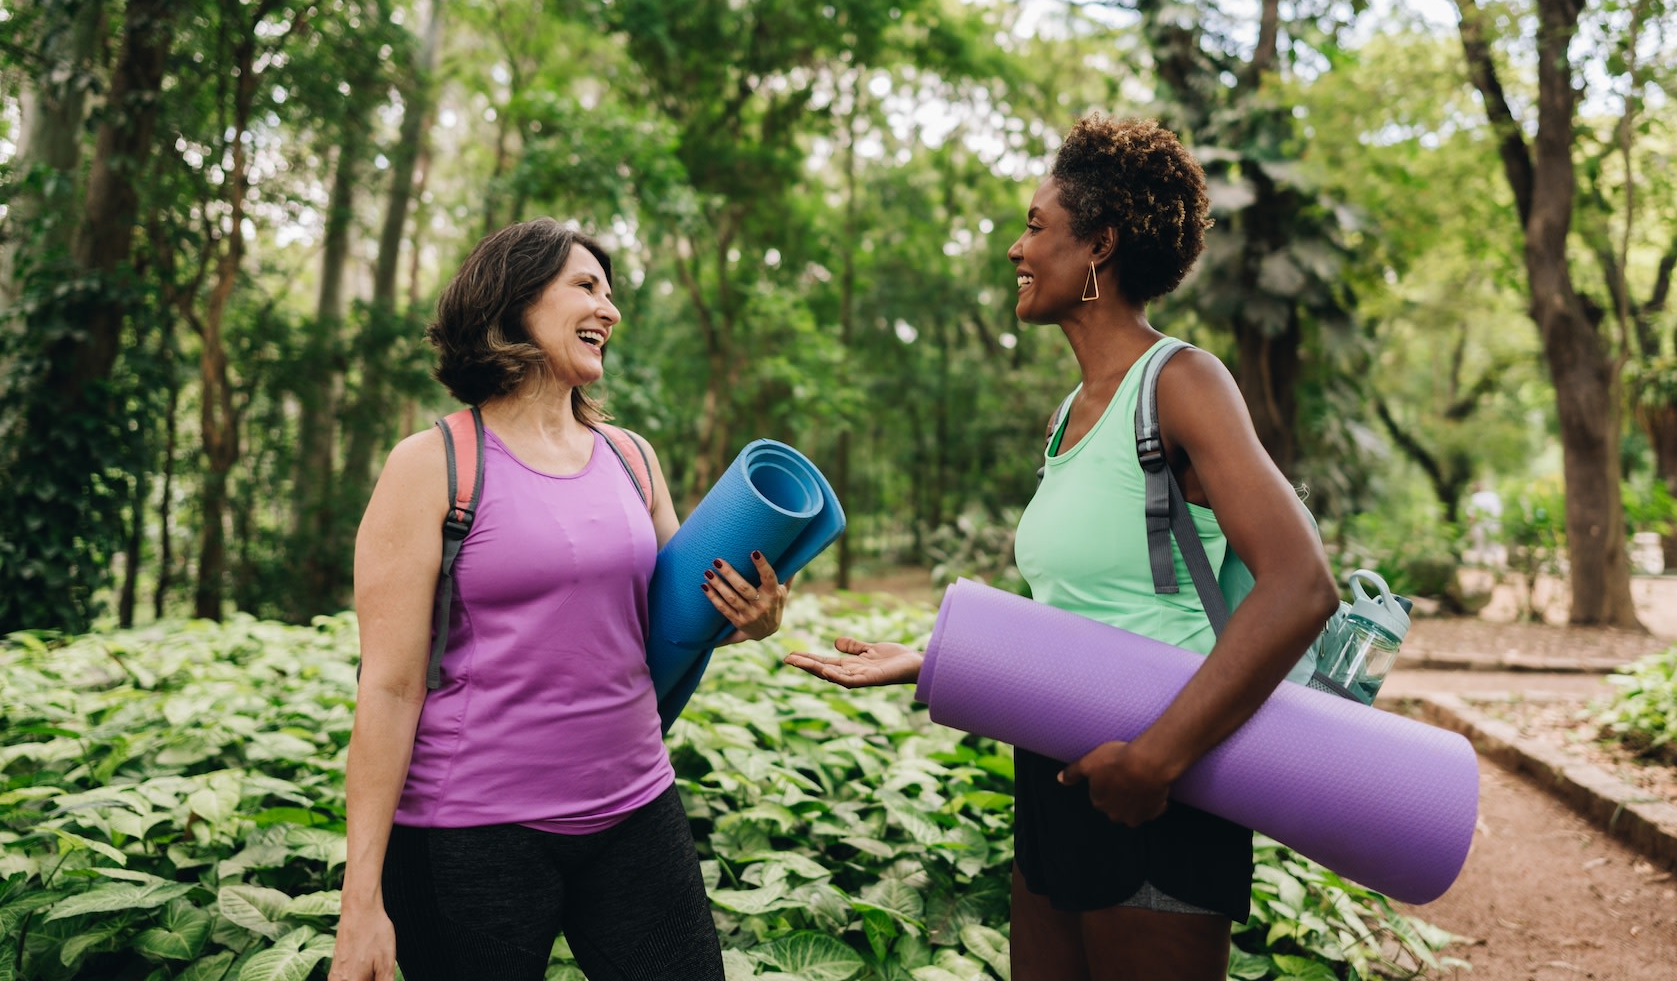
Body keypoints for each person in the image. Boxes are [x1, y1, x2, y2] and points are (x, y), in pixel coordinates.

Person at [784, 115, 1339, 981]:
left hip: (1163, 784)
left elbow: (1303, 585)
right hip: (1058, 773)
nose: (1016, 248)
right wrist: (934, 658)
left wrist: (1156, 761)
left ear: (1101, 247)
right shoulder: (1069, 416)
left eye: (1037, 226)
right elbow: (1083, 615)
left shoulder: (1183, 383)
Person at [329, 217, 784, 981]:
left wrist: (753, 618)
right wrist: (359, 901)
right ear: (514, 302)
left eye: (611, 294)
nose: (609, 310)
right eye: (586, 287)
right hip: (472, 833)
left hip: (637, 809)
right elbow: (389, 685)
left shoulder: (632, 458)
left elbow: (680, 616)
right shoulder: (431, 464)